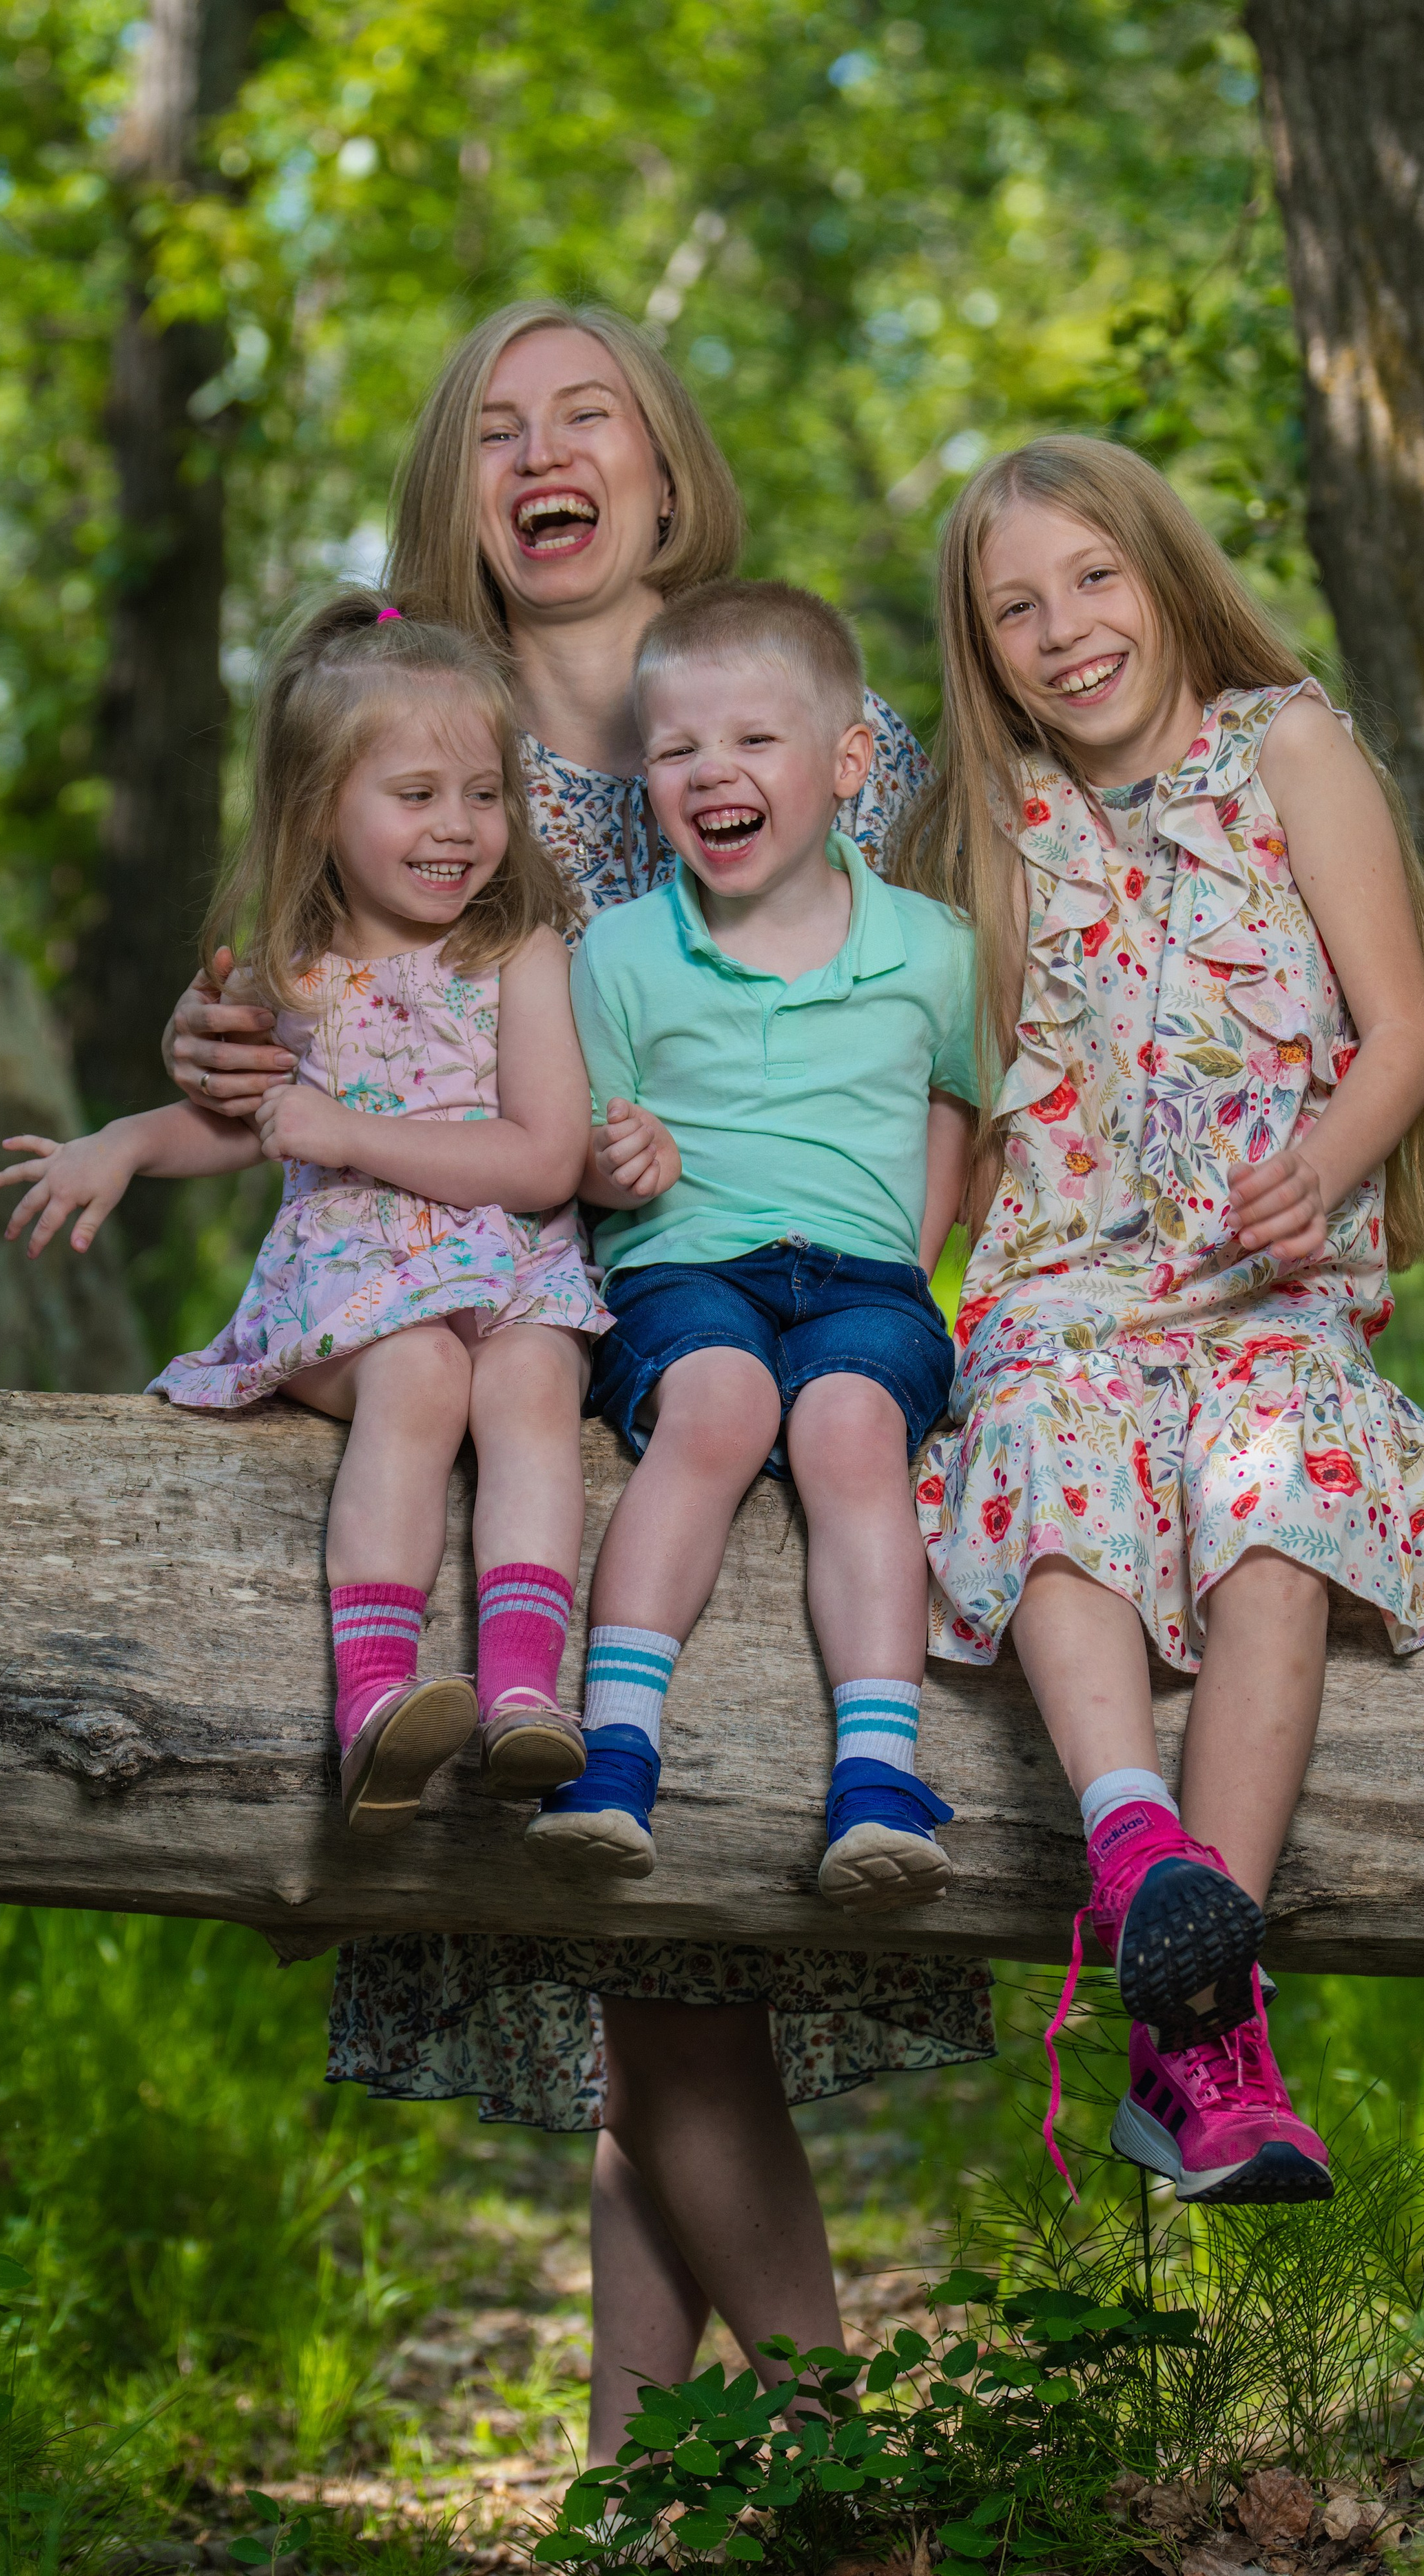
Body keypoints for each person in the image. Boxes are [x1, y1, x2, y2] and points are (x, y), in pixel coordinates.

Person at [156, 301, 995, 2459]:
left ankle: (768, 2483)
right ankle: (703, 2496)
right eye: (497, 431)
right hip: (519, 1362)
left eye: (586, 416)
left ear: (657, 460)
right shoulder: (424, 740)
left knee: (684, 1983)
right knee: (646, 1979)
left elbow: (930, 1018)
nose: (544, 453)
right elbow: (296, 1015)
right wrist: (214, 1059)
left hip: (763, 1364)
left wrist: (905, 1278)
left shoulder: (806, 719)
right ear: (458, 499)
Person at [898, 433, 1424, 2207]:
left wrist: (1322, 1160)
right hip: (1062, 1292)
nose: (1062, 628)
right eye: (1013, 609)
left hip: (1263, 1293)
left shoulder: (1286, 744)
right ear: (979, 653)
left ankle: (1200, 2043)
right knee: (1053, 1448)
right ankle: (1138, 1851)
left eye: (1090, 578)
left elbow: (1406, 1031)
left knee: (1276, 1510)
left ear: (1159, 570)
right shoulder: (977, 829)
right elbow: (940, 1119)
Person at [0, 597, 607, 1817]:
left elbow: (544, 1161)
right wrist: (122, 1144)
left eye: (483, 794)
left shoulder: (520, 949)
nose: (460, 828)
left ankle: (525, 1696)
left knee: (534, 1379)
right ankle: (375, 1701)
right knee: (424, 1373)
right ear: (325, 805)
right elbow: (241, 1120)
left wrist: (347, 1130)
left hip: (517, 1263)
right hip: (354, 1281)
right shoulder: (295, 965)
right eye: (417, 795)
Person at [537, 579, 975, 1912]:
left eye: (753, 742)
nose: (710, 772)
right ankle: (617, 1750)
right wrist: (627, 1165)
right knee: (719, 1407)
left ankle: (879, 1777)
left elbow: (956, 1104)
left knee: (852, 1430)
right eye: (676, 750)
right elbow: (588, 1149)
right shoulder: (616, 954)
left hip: (865, 1275)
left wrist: (915, 1243)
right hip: (684, 1266)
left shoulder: (934, 948)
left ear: (849, 764)